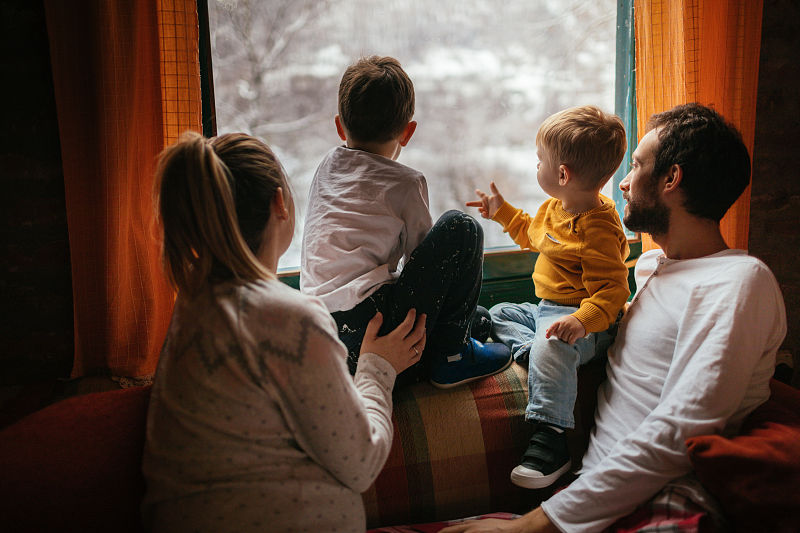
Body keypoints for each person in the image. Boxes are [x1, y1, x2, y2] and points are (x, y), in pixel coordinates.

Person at [443, 103, 787, 533]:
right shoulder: (651, 269)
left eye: (637, 165)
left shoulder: (738, 281)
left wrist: (533, 524)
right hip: (589, 497)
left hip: (660, 498)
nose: (621, 182)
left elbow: (682, 430)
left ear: (671, 179)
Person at [141, 131, 428, 533]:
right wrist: (377, 367)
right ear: (280, 203)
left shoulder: (191, 310)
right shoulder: (289, 320)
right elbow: (361, 463)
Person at [300, 55, 510, 388]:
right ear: (407, 132)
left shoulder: (327, 166)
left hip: (322, 333)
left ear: (339, 125)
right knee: (461, 227)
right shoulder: (405, 183)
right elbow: (428, 266)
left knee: (480, 319)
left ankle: (455, 339)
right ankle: (452, 358)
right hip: (375, 331)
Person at [467, 106, 630, 489]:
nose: (535, 166)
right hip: (545, 310)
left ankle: (552, 440)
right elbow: (533, 234)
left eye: (540, 160)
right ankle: (536, 353)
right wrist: (502, 212)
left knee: (553, 345)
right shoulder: (556, 207)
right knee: (501, 312)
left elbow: (613, 290)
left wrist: (580, 321)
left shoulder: (598, 228)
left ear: (562, 174)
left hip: (587, 321)